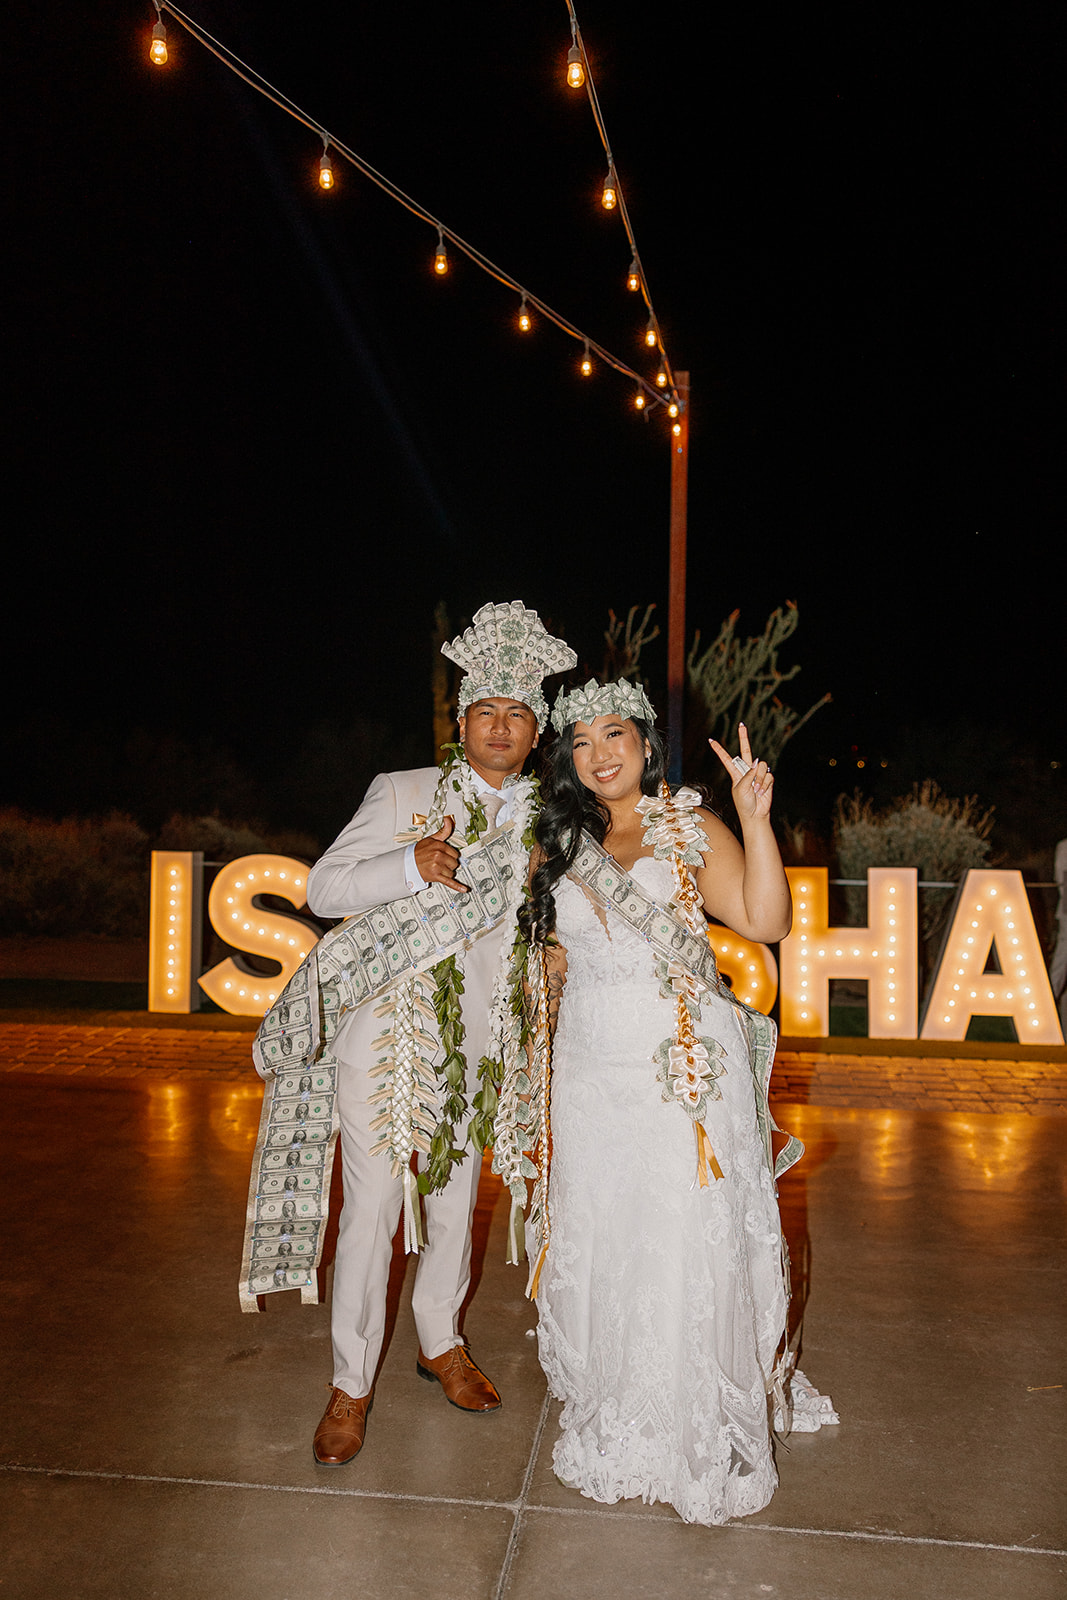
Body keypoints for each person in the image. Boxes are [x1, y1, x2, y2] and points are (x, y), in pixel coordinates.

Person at [519, 677, 836, 1525]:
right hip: (591, 1069)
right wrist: (544, 970)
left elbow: (764, 920)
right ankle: (622, 1410)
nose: (599, 755)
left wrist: (754, 815)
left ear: (645, 743)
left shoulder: (689, 826)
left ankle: (698, 1424)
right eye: (580, 742)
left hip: (682, 1072)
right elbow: (553, 953)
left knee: (683, 1231)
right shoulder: (556, 843)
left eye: (614, 734)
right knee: (609, 1227)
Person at [302, 602, 575, 1467]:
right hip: (386, 1043)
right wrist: (405, 867)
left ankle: (439, 1342)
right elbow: (322, 889)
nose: (501, 727)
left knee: (457, 1206)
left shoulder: (555, 821)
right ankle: (349, 1387)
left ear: (536, 731)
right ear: (462, 724)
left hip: (486, 1046)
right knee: (375, 1212)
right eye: (485, 712)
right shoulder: (405, 792)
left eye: (518, 714)